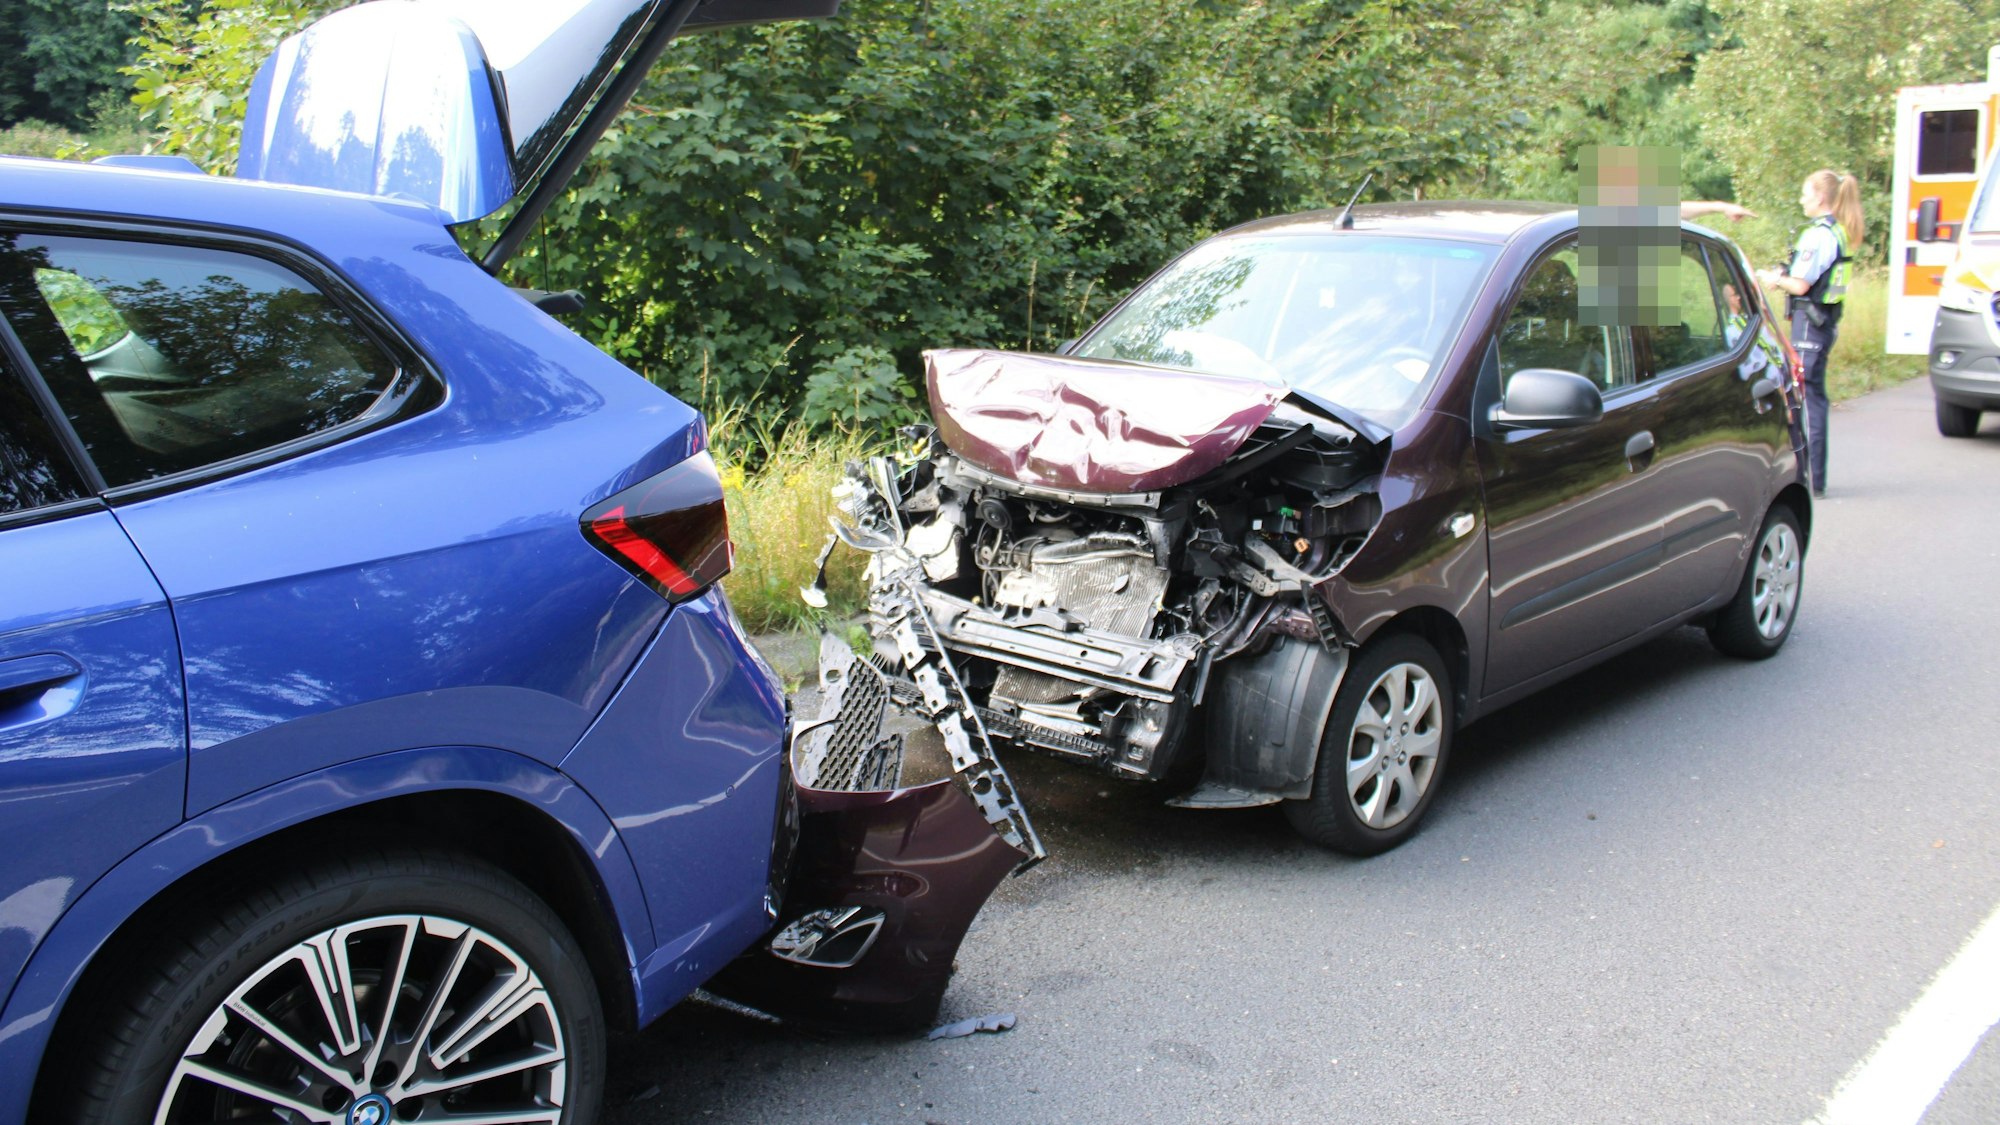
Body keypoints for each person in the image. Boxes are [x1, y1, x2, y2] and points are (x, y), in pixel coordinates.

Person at [1757, 170, 1863, 498]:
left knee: (1804, 399)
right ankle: (1814, 477)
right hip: (1823, 323)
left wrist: (1773, 279)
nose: (1802, 200)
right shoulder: (1837, 231)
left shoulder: (1818, 235)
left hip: (1810, 326)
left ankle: (1806, 477)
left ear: (1820, 197)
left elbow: (1801, 285)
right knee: (1813, 397)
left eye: (1805, 194)